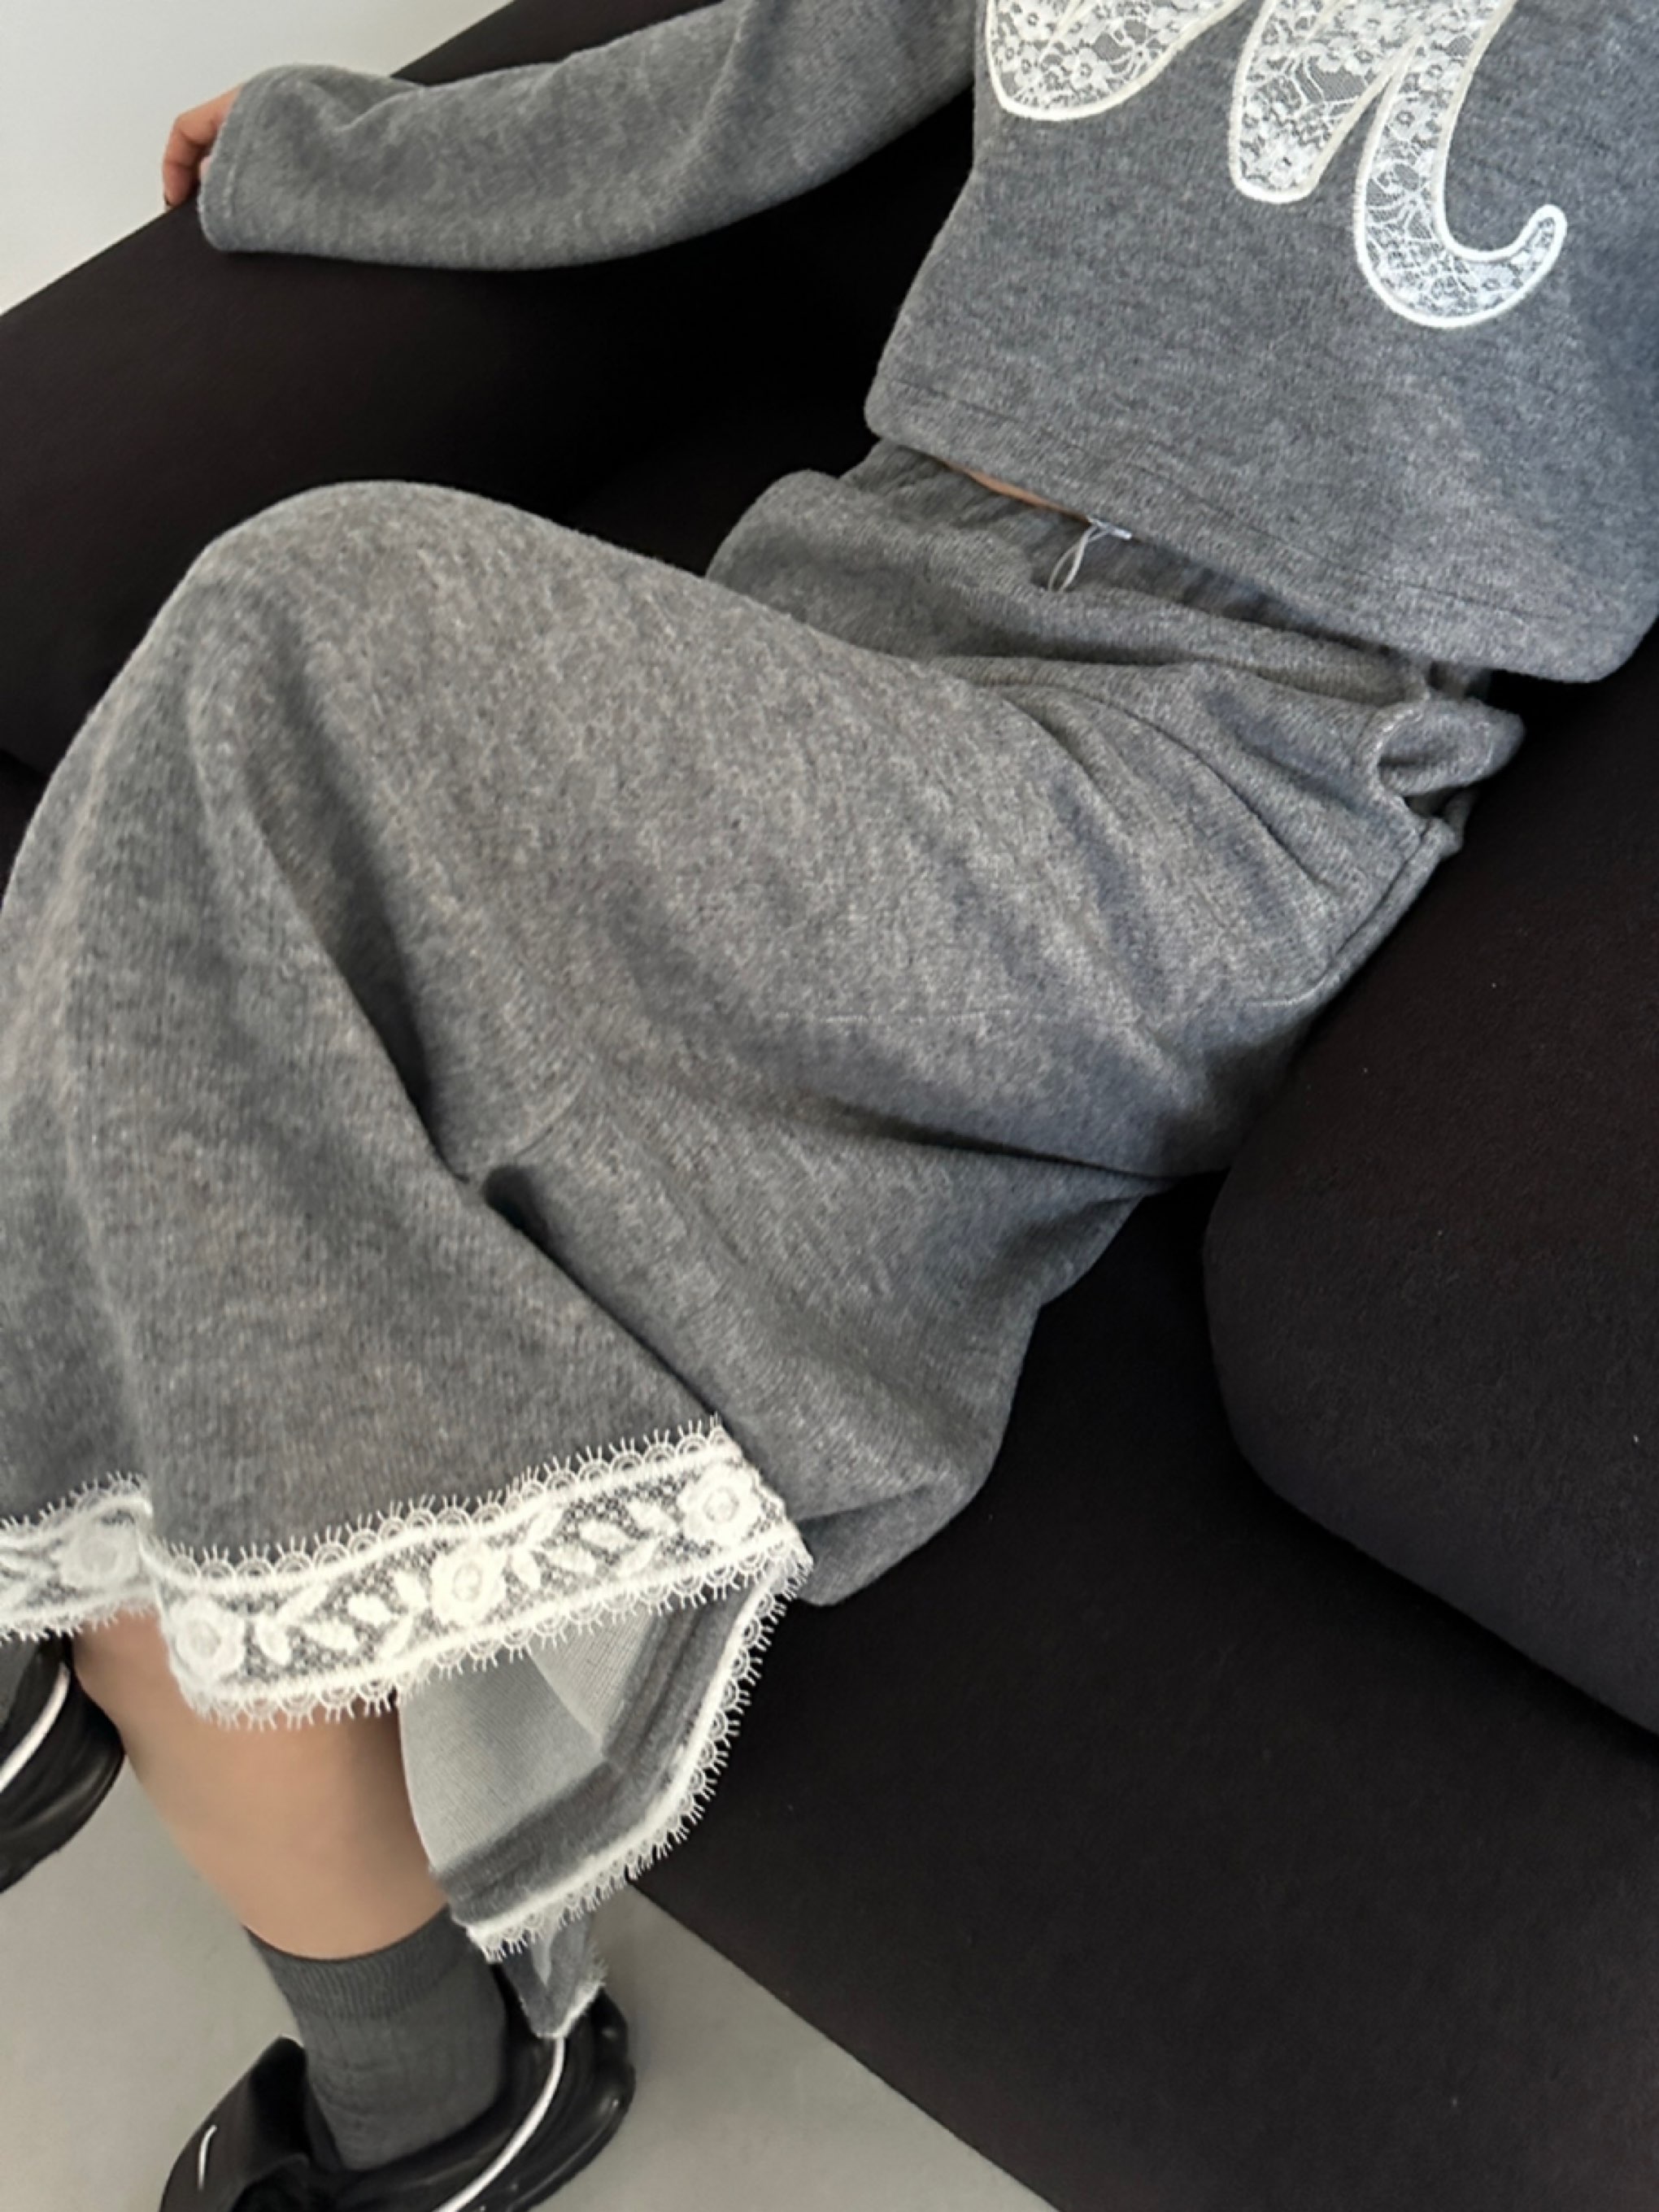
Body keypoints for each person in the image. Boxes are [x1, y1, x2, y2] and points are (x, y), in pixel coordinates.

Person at [2, 2, 1652, 2205]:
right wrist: (324, 157)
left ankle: (41, 1573)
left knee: (287, 629)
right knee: (223, 1051)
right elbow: (750, 76)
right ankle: (428, 2094)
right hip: (842, 621)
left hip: (1219, 770)